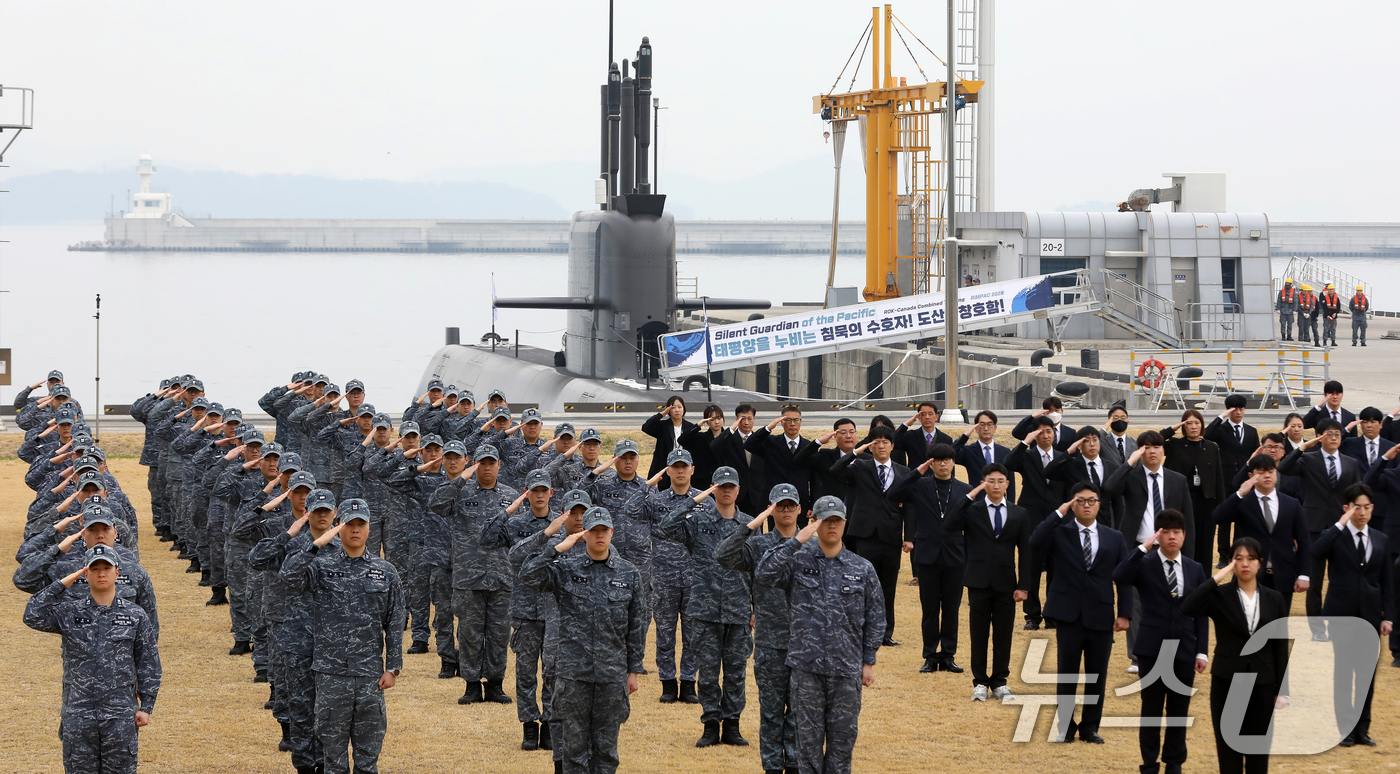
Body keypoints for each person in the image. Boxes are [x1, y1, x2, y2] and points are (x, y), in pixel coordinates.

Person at [754, 496, 884, 774]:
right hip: (806, 670)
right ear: (814, 522)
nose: (832, 527)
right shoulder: (797, 561)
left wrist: (868, 661)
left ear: (845, 523)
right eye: (825, 521)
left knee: (842, 745)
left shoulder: (862, 568)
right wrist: (796, 541)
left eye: (837, 521)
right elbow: (764, 574)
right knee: (807, 747)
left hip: (846, 670)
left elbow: (875, 618)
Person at [280, 499, 405, 774]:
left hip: (370, 676)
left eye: (361, 524)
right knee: (332, 756)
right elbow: (288, 576)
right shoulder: (321, 567)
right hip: (330, 675)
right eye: (349, 524)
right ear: (340, 527)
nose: (355, 530)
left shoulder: (385, 572)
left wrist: (393, 667)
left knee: (368, 753)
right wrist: (316, 544)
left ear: (369, 528)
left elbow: (395, 621)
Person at [520, 506, 647, 774]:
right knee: (573, 752)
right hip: (573, 676)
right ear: (584, 534)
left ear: (612, 532)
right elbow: (528, 576)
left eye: (604, 530)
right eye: (593, 531)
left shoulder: (629, 573)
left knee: (606, 752)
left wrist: (633, 670)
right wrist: (556, 549)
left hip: (611, 676)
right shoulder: (565, 569)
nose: (599, 536)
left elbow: (636, 626)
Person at [23, 544, 161, 774]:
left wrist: (147, 706)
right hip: (79, 715)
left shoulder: (135, 615)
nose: (101, 573)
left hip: (119, 715)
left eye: (107, 567)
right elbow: (32, 614)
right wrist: (62, 583)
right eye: (94, 568)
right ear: (85, 574)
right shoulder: (69, 613)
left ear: (117, 572)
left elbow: (148, 662)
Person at [662, 466, 754, 748]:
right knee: (709, 674)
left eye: (730, 486)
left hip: (738, 609)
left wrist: (754, 607)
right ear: (712, 490)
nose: (725, 491)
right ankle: (711, 724)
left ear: (738, 490)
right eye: (719, 486)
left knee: (736, 673)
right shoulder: (697, 521)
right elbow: (666, 527)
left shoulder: (750, 524)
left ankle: (733, 725)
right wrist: (694, 500)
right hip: (705, 609)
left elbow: (754, 569)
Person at [1033, 482, 1132, 743]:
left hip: (1100, 614)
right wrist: (1058, 513)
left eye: (1091, 500)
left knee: (1096, 676)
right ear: (1072, 504)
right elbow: (1035, 541)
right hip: (1068, 614)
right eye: (1080, 500)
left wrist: (1125, 613)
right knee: (1067, 674)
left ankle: (1090, 727)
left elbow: (1124, 578)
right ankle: (1065, 728)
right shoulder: (1060, 533)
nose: (1086, 505)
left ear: (1099, 505)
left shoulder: (1114, 537)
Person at [1181, 538, 1290, 774]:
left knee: (1258, 754)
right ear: (1231, 563)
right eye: (1238, 559)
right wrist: (1216, 579)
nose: (1245, 564)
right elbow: (1188, 607)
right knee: (1228, 752)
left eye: (1251, 558)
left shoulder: (1274, 598)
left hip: (1263, 683)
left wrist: (1282, 689)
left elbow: (1280, 646)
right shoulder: (1220, 595)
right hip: (1227, 681)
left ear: (1260, 563)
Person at [1112, 510, 1208, 774]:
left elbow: (1201, 613)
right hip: (1152, 648)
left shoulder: (1195, 568)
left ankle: (1174, 762)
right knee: (1152, 708)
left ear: (1184, 535)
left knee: (1179, 708)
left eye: (1176, 532)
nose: (1172, 537)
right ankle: (1150, 763)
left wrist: (1202, 652)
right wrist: (1144, 547)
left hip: (1185, 648)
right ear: (1158, 535)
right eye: (1165, 532)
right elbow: (1119, 575)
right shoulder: (1144, 563)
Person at [716, 483, 800, 774]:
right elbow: (723, 556)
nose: (786, 510)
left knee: (801, 714)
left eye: (790, 505)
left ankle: (797, 764)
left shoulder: (813, 546)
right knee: (772, 713)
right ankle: (773, 768)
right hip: (769, 643)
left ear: (799, 509)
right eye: (780, 505)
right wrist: (750, 526)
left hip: (806, 645)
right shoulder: (760, 545)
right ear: (771, 509)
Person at [429, 443, 520, 705]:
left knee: (499, 634)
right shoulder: (459, 493)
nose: (487, 467)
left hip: (502, 576)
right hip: (468, 576)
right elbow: (435, 504)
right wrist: (462, 478)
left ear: (499, 465)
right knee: (469, 633)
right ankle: (471, 684)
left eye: (492, 462)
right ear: (475, 464)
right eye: (482, 463)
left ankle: (495, 683)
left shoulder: (511, 497)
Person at [480, 468, 559, 750]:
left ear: (551, 492)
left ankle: (550, 723)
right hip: (525, 609)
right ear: (526, 494)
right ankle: (529, 725)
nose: (539, 495)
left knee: (552, 670)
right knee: (525, 672)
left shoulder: (561, 523)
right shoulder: (515, 524)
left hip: (554, 609)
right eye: (533, 490)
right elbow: (486, 539)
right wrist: (508, 511)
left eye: (543, 490)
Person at [1311, 483, 1394, 747]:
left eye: (1366, 507)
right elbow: (1316, 552)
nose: (1362, 512)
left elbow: (1387, 582)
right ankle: (1345, 729)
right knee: (1344, 673)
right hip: (1341, 615)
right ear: (1347, 508)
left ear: (1372, 508)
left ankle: (1362, 729)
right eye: (1356, 507)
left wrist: (1388, 616)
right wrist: (1339, 525)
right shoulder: (1335, 535)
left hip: (1370, 615)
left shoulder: (1381, 539)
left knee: (1366, 674)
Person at [942, 465, 1034, 701]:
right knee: (979, 633)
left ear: (1007, 484)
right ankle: (980, 681)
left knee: (1004, 634)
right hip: (978, 581)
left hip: (1006, 583)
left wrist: (1024, 586)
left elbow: (1026, 552)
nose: (995, 485)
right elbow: (949, 524)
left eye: (1000, 481)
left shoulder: (1019, 513)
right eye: (990, 481)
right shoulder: (973, 510)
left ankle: (1000, 681)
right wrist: (970, 495)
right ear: (983, 484)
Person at [887, 443, 971, 673]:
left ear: (953, 462)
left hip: (955, 555)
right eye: (937, 460)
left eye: (947, 460)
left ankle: (949, 654)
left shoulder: (966, 489)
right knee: (930, 608)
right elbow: (893, 494)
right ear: (931, 463)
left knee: (952, 608)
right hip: (927, 556)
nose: (943, 464)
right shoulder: (920, 486)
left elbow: (972, 525)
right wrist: (917, 472)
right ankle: (930, 655)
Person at [1280, 418, 1362, 639]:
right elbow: (1284, 467)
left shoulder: (1351, 463)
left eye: (1337, 434)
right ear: (1320, 436)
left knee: (1340, 580)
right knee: (1314, 580)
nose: (1334, 438)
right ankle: (1317, 630)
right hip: (1313, 526)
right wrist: (1303, 447)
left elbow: (1356, 494)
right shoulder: (1308, 459)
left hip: (1341, 527)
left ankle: (1339, 626)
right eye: (1329, 434)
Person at [829, 426, 909, 645]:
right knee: (862, 585)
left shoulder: (903, 472)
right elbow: (835, 470)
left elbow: (910, 507)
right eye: (876, 442)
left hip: (891, 534)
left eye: (885, 442)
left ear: (892, 446)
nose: (881, 446)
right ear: (870, 445)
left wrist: (909, 536)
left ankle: (886, 633)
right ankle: (861, 631)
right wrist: (857, 451)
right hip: (864, 533)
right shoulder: (860, 467)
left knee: (888, 586)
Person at [1213, 455, 1311, 615]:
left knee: (1279, 629)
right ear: (1251, 476)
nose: (1267, 476)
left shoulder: (1291, 504)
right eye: (1261, 472)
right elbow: (1218, 517)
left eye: (1270, 471)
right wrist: (1240, 493)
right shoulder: (1244, 502)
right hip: (1251, 575)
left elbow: (1304, 541)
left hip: (1283, 575)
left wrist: (1304, 574)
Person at [640, 449, 700, 705]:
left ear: (692, 469)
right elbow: (630, 509)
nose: (680, 471)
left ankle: (688, 682)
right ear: (668, 470)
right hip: (664, 575)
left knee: (693, 633)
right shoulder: (655, 500)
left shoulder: (704, 500)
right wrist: (648, 484)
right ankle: (667, 682)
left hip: (695, 576)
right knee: (664, 632)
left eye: (684, 466)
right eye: (674, 466)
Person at [1004, 416, 1068, 629]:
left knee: (1056, 570)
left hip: (1058, 521)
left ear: (1055, 433)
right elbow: (1008, 464)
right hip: (1031, 520)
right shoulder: (1027, 456)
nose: (1046, 435)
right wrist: (1024, 442)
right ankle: (1032, 616)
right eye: (1040, 432)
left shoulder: (1063, 457)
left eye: (1049, 431)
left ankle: (1053, 614)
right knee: (1030, 568)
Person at [1162, 410, 1228, 565]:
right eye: (1189, 423)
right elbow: (1155, 440)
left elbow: (1218, 477)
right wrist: (1173, 428)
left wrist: (1222, 506)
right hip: (1183, 502)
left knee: (1205, 543)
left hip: (1206, 502)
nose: (1193, 427)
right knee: (1185, 541)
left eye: (1197, 422)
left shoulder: (1211, 447)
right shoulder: (1175, 445)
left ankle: (1204, 582)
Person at [1043, 426, 1121, 528]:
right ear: (1079, 445)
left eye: (1095, 440)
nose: (1092, 444)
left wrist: (1119, 527)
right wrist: (1068, 452)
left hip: (1104, 523)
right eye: (1087, 441)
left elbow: (1117, 501)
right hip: (1076, 523)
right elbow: (1047, 472)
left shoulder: (1112, 467)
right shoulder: (1071, 465)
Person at [745, 405, 816, 512]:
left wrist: (812, 504)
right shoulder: (771, 442)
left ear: (801, 422)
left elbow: (814, 478)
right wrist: (768, 428)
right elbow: (749, 444)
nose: (792, 424)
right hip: (775, 502)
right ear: (781, 422)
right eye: (788, 420)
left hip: (800, 502)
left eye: (796, 420)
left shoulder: (809, 446)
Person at [710, 404, 767, 516]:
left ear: (754, 420)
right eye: (742, 418)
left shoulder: (761, 441)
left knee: (755, 530)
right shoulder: (729, 439)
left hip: (756, 495)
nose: (746, 422)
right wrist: (732, 429)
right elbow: (713, 447)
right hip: (735, 494)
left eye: (749, 418)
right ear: (737, 419)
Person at [793, 418, 859, 504]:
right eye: (843, 433)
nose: (848, 436)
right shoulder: (826, 456)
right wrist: (818, 442)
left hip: (859, 511)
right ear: (835, 436)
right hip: (831, 509)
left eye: (852, 432)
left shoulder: (867, 459)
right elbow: (799, 461)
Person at [951, 411, 1015, 498]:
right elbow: (951, 454)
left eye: (989, 424)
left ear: (995, 428)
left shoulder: (1005, 452)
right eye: (982, 424)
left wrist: (1010, 505)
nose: (986, 428)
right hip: (977, 501)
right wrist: (965, 436)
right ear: (976, 428)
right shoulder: (968, 451)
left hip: (999, 501)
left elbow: (1010, 482)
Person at [642, 395, 695, 487]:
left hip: (684, 466)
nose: (677, 410)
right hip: (665, 466)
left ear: (684, 409)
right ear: (669, 410)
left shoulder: (690, 427)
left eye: (680, 407)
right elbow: (646, 427)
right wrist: (661, 414)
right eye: (673, 407)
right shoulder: (663, 426)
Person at [677, 404, 727, 488]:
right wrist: (698, 425)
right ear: (707, 421)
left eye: (719, 418)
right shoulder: (700, 438)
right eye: (713, 419)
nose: (717, 422)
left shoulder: (729, 438)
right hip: (702, 483)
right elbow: (682, 440)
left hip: (723, 481)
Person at [892, 402, 953, 468]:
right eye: (923, 414)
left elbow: (950, 464)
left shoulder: (946, 439)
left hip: (937, 477)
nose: (927, 417)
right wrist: (906, 425)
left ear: (936, 417)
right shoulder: (910, 436)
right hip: (916, 477)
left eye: (930, 414)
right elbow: (893, 441)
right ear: (919, 418)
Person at [1341, 407, 1395, 473]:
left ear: (1381, 424)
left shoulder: (1391, 448)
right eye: (1365, 422)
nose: (1369, 425)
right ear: (1360, 425)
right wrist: (1346, 430)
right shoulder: (1349, 444)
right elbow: (1331, 444)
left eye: (1373, 422)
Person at [1319, 282, 1343, 347]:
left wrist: (1336, 313)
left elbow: (1338, 306)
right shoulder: (1325, 298)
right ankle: (1325, 341)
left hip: (1334, 316)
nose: (1331, 291)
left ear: (1334, 290)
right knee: (1326, 329)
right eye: (1329, 290)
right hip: (1327, 316)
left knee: (1333, 329)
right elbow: (1324, 307)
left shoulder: (1336, 298)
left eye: (1332, 290)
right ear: (1328, 290)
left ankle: (1333, 341)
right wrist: (1327, 315)